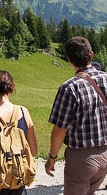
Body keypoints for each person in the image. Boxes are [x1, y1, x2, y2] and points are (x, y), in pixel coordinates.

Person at [45, 37, 107, 195]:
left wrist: (52, 157)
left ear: (69, 60)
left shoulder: (69, 87)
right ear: (92, 55)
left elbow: (60, 129)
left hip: (82, 159)